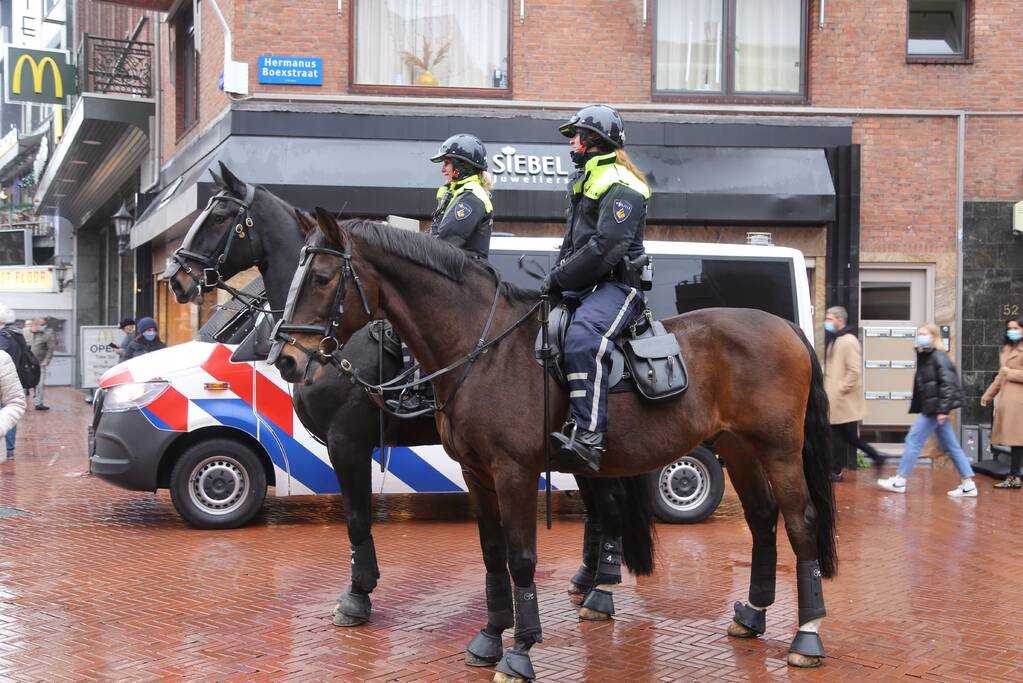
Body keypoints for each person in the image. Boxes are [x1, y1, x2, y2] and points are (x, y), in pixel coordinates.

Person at [543, 104, 650, 472]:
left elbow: (605, 249)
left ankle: (588, 437)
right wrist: (553, 284)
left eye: (576, 135)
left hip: (616, 287)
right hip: (583, 288)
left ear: (594, 139)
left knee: (583, 336)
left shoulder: (623, 183)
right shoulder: (585, 179)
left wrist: (560, 278)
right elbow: (571, 245)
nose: (571, 142)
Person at [389, 134, 495, 414]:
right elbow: (433, 237)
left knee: (417, 316)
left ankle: (421, 391)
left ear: (462, 166)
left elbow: (444, 244)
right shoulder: (453, 194)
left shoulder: (470, 198)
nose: (442, 169)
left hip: (465, 278)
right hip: (452, 275)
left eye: (447, 163)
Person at [878, 324, 977, 497]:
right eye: (919, 333)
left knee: (913, 440)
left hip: (934, 409)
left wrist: (943, 410)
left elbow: (948, 384)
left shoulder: (938, 357)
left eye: (924, 334)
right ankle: (968, 484)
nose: (920, 336)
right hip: (934, 408)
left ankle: (900, 480)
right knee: (951, 446)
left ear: (933, 336)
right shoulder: (928, 356)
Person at [822, 306, 882, 481]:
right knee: (847, 437)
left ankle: (835, 471)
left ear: (840, 320)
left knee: (836, 436)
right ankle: (877, 457)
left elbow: (854, 371)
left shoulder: (848, 341)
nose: (827, 322)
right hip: (836, 399)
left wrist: (839, 389)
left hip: (843, 400)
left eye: (830, 318)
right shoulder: (836, 340)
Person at [981, 315, 1023, 489]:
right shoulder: (1008, 348)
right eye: (1010, 328)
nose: (1012, 331)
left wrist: (1010, 372)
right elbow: (1000, 375)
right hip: (1008, 401)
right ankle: (1014, 476)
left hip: (1019, 402)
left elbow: (1006, 372)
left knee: (1018, 440)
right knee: (1015, 440)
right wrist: (988, 394)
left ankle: (1014, 476)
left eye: (1016, 328)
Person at [0, 305, 25, 458]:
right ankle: (10, 448)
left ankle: (9, 448)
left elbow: (16, 404)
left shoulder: (3, 339)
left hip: (6, 379)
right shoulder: (16, 335)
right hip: (13, 377)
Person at [23, 318, 54, 411]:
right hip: (26, 363)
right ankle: (21, 404)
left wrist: (46, 361)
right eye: (37, 324)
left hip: (40, 364)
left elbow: (50, 349)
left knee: (39, 384)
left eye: (41, 325)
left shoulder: (47, 335)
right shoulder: (24, 332)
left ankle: (39, 403)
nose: (39, 326)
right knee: (23, 384)